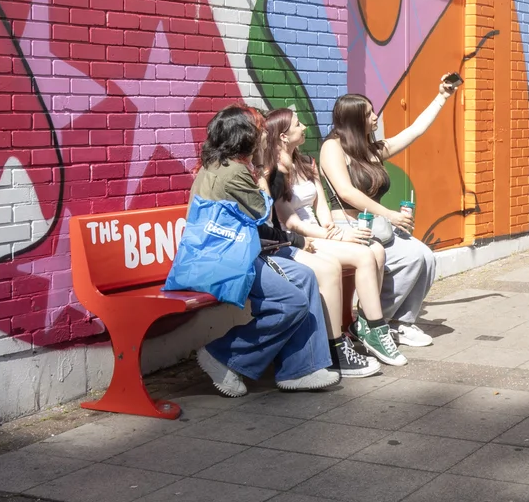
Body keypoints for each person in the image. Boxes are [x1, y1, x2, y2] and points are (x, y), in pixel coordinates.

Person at [190, 105, 338, 398]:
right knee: (290, 302)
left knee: (305, 276)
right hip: (224, 260)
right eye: (260, 134)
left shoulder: (226, 166)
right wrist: (260, 174)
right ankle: (223, 355)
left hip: (238, 252)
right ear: (245, 139)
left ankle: (301, 368)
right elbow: (263, 212)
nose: (264, 139)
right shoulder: (234, 173)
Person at [256, 107, 404, 377]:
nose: (305, 128)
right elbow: (290, 222)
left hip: (321, 232)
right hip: (302, 239)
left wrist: (333, 228)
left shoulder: (307, 164)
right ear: (284, 137)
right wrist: (334, 235)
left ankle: (366, 327)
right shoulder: (274, 172)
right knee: (363, 255)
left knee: (376, 250)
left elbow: (321, 205)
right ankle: (368, 330)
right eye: (298, 125)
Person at [318, 77, 461, 347]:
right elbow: (346, 192)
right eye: (369, 113)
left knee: (425, 257)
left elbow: (416, 130)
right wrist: (390, 214)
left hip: (378, 227)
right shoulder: (333, 147)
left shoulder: (372, 150)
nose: (375, 117)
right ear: (354, 119)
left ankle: (398, 323)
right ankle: (374, 323)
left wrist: (441, 97)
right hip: (351, 228)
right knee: (410, 259)